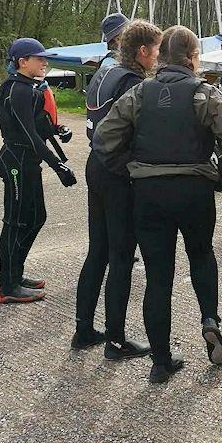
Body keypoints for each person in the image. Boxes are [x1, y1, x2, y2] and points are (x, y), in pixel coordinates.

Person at [93, 25, 222, 383]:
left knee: (158, 278)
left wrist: (131, 170)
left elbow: (104, 140)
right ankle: (209, 318)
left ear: (162, 55)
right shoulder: (205, 94)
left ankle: (161, 361)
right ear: (193, 56)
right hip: (194, 191)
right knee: (201, 255)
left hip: (149, 194)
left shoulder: (138, 93)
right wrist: (221, 175)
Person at [71, 20, 163, 356]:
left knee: (98, 251)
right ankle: (115, 339)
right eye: (155, 49)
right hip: (117, 173)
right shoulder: (132, 82)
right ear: (142, 51)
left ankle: (83, 330)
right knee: (121, 255)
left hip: (96, 165)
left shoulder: (103, 72)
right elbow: (140, 132)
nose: (157, 56)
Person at [0, 38, 77, 303]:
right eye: (39, 58)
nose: (45, 63)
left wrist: (57, 129)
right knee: (15, 222)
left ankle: (14, 274)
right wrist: (58, 166)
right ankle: (7, 286)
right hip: (16, 161)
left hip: (28, 161)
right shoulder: (16, 89)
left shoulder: (29, 87)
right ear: (23, 62)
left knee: (37, 217)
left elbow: (36, 125)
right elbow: (29, 136)